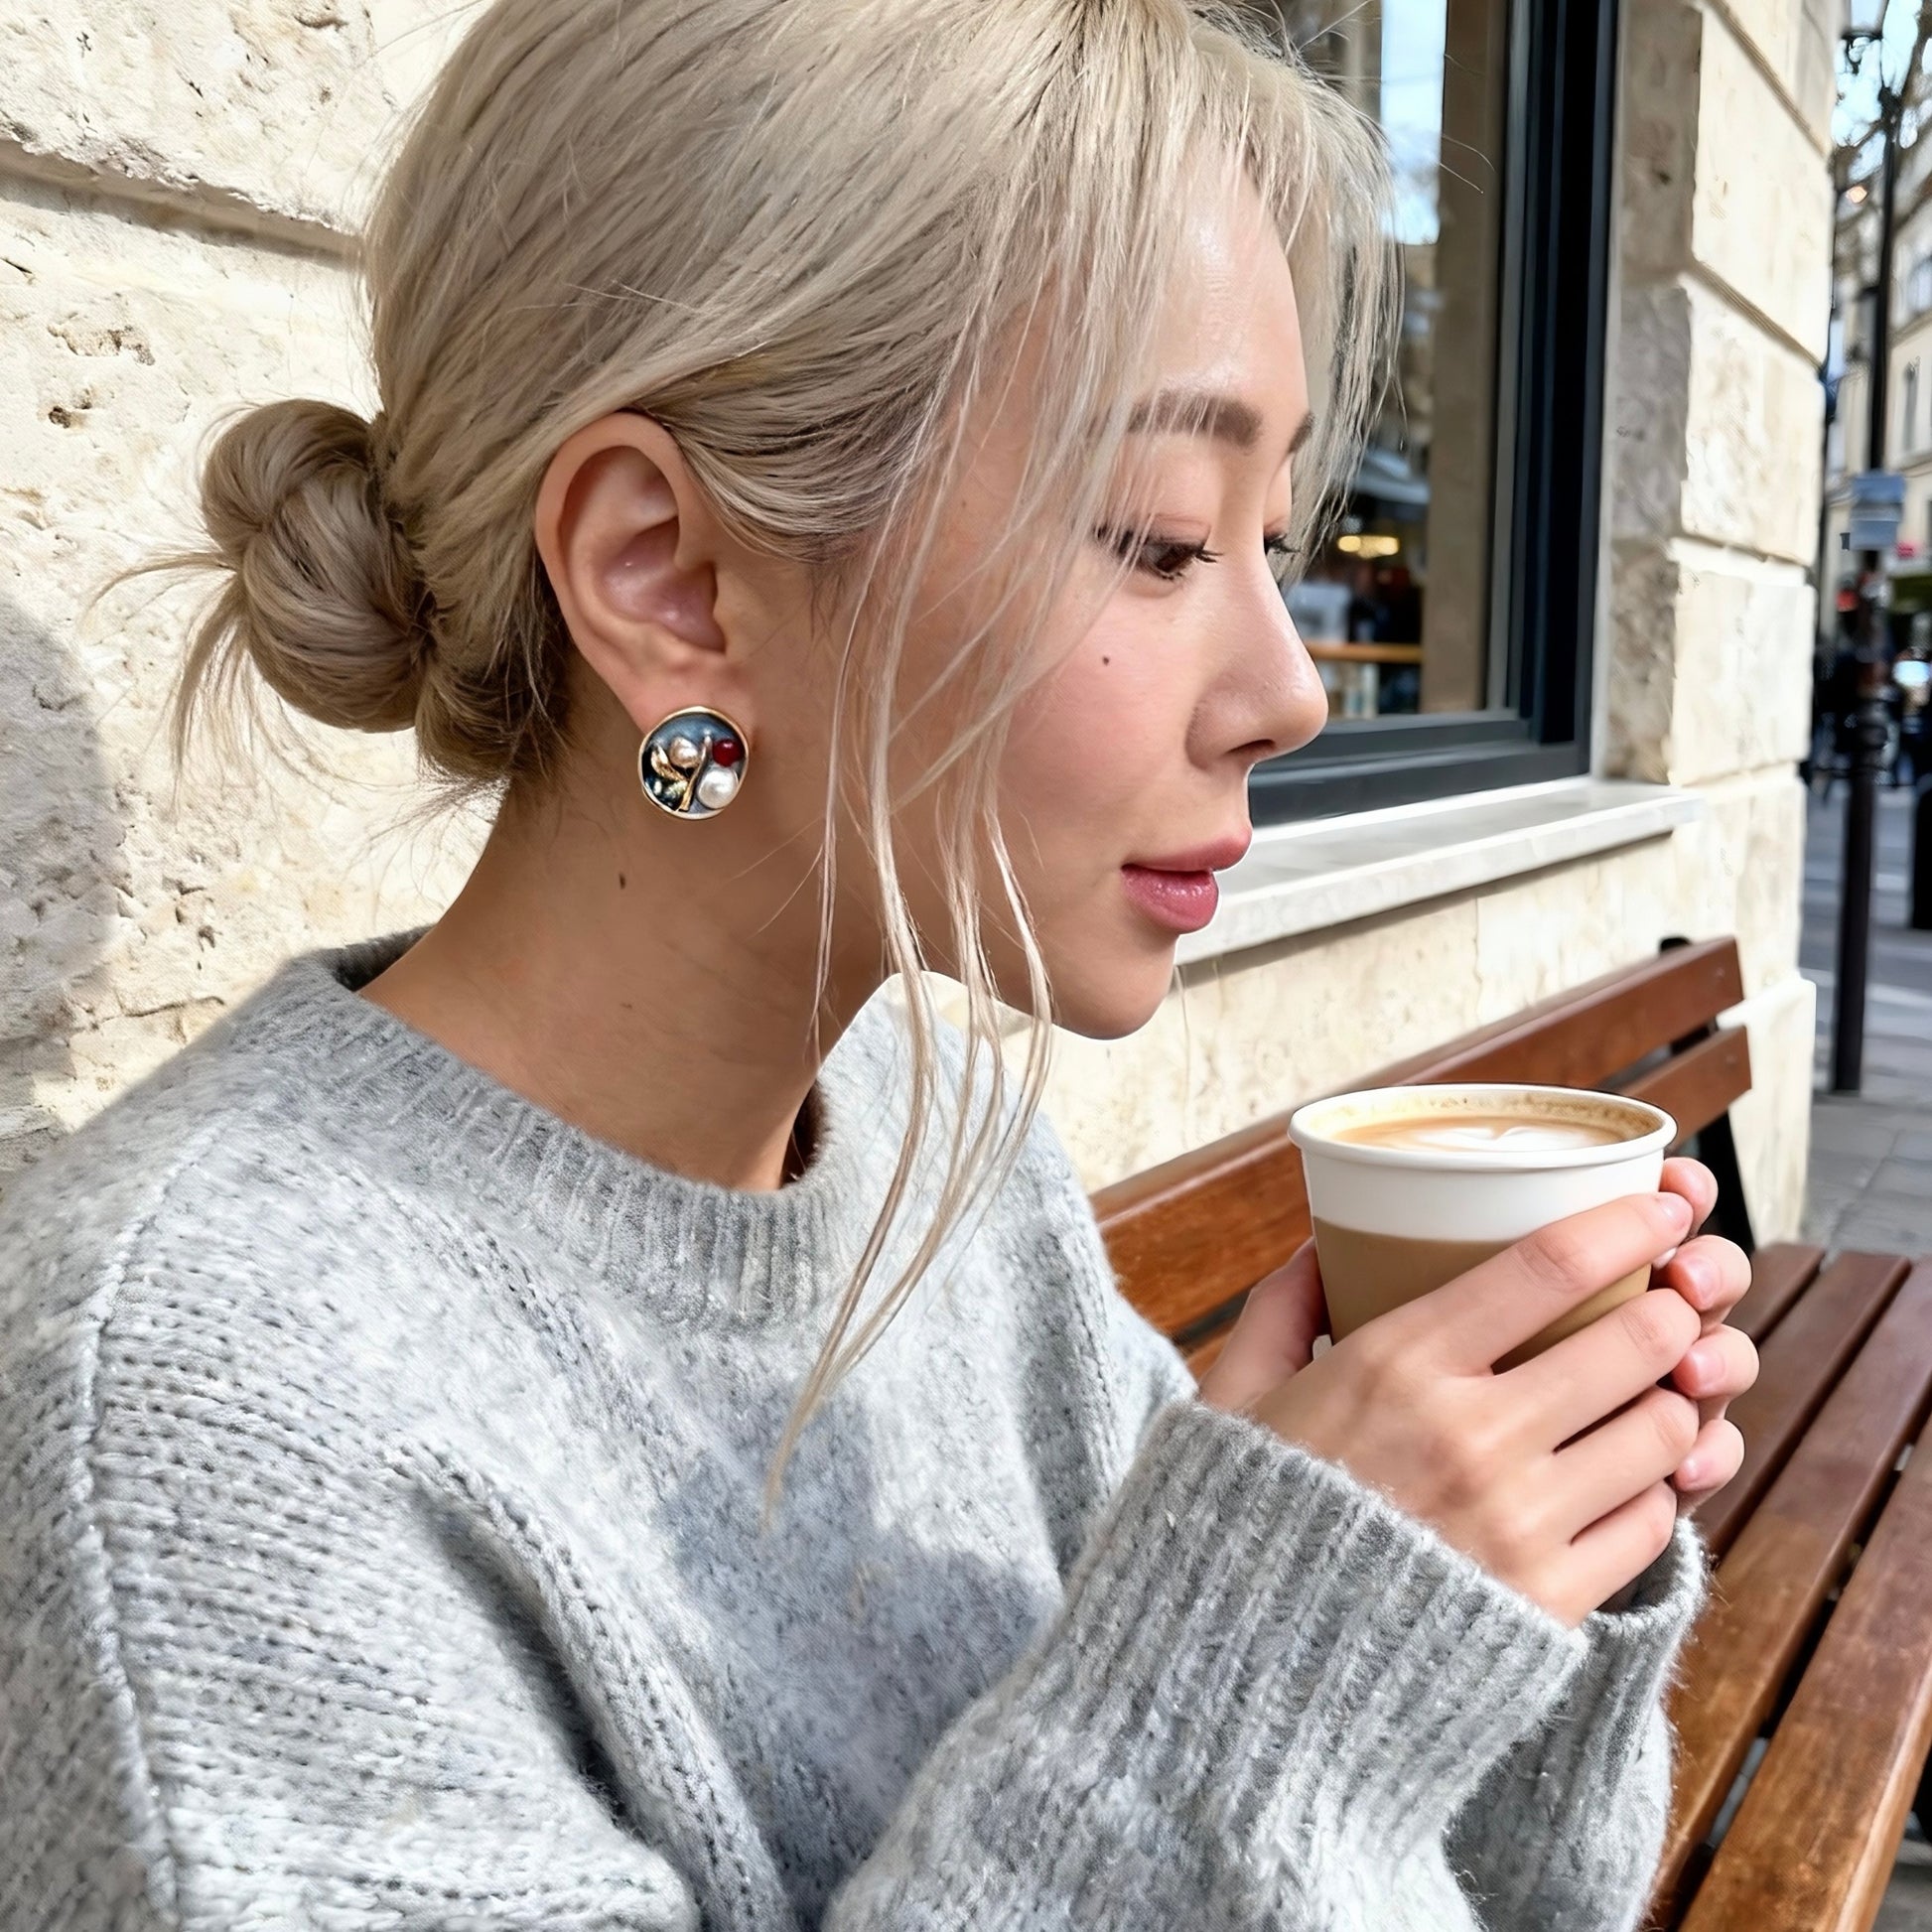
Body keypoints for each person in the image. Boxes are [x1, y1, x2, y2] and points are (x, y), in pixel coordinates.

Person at [0, 3, 1757, 1926]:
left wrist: (1516, 1551)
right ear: (670, 577)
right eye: (1162, 540)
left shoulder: (932, 1139)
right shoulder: (199, 1410)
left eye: (1274, 540)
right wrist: (1273, 1660)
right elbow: (1214, 1768)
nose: (1287, 691)